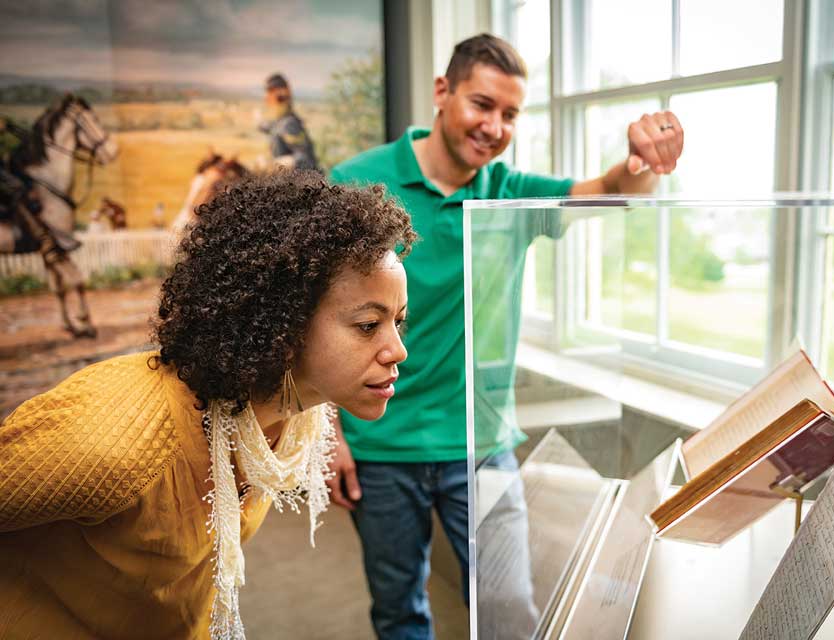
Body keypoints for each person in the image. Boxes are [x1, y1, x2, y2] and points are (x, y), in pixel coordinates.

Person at [328, 33, 684, 639]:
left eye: (510, 114)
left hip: (481, 444)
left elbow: (609, 193)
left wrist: (640, 163)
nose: (494, 126)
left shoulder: (508, 193)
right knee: (399, 613)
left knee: (510, 611)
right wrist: (327, 434)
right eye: (482, 104)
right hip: (380, 448)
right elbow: (317, 321)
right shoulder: (357, 184)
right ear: (442, 93)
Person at [0, 171, 416, 640]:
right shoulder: (112, 440)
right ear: (281, 318)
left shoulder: (290, 415)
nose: (397, 350)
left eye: (397, 321)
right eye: (367, 325)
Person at [257, 73, 319, 171]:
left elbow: (306, 159)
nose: (266, 97)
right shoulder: (279, 121)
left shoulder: (289, 123)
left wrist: (277, 163)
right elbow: (269, 127)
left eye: (269, 92)